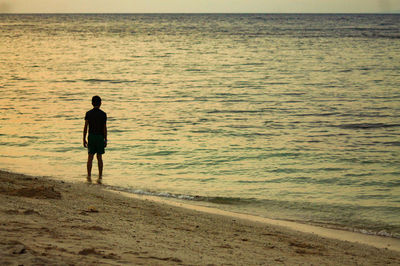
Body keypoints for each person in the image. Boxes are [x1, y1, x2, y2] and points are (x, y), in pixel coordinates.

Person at [83, 95, 107, 184]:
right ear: (100, 103)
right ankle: (100, 176)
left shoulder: (88, 113)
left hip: (91, 136)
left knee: (90, 157)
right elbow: (104, 128)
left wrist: (84, 138)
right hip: (100, 137)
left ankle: (89, 175)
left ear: (92, 103)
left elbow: (86, 127)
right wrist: (106, 139)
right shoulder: (103, 114)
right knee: (99, 157)